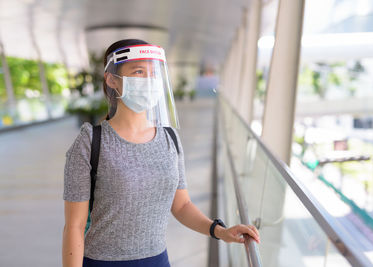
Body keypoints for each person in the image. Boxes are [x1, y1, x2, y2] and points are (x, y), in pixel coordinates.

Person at [62, 39, 260, 267]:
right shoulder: (91, 141)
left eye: (153, 73)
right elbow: (74, 226)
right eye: (138, 71)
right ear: (112, 79)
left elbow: (182, 205)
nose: (149, 81)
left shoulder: (170, 139)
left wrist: (220, 231)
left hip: (157, 260)